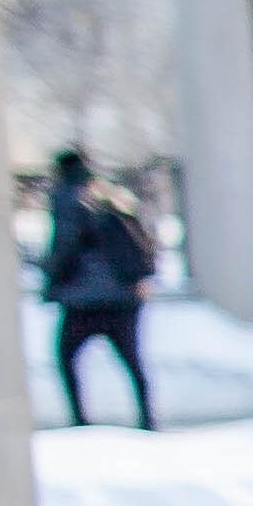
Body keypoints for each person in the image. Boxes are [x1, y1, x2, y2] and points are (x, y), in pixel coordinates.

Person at [36, 150, 157, 431]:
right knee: (132, 360)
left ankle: (80, 420)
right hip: (123, 296)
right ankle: (147, 419)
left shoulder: (65, 196)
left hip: (83, 299)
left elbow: (64, 243)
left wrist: (52, 281)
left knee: (65, 357)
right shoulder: (107, 193)